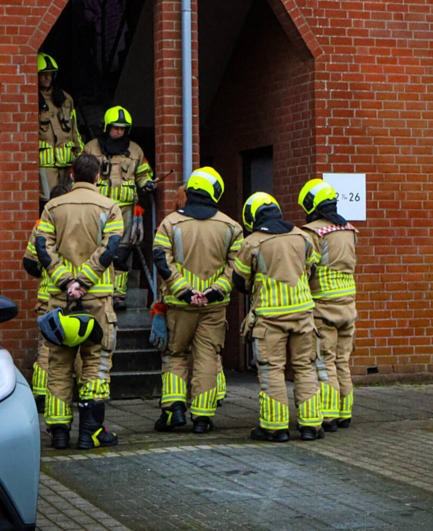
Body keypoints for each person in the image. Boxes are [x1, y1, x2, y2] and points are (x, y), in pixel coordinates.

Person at [27, 153, 125, 450]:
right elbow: (111, 249)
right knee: (96, 364)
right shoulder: (110, 206)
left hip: (59, 300)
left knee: (58, 365)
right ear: (98, 177)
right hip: (95, 299)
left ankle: (58, 434)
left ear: (71, 175)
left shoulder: (52, 207)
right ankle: (91, 433)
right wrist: (83, 282)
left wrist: (66, 282)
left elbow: (43, 249)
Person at [149, 167, 243, 434]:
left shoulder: (170, 223)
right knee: (207, 358)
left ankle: (175, 407)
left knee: (175, 354)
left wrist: (184, 292)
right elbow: (235, 268)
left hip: (180, 305)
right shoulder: (231, 226)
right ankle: (202, 418)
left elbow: (161, 260)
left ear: (190, 192)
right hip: (214, 306)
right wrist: (213, 292)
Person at [233, 192, 324, 442]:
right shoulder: (303, 236)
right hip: (304, 313)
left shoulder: (253, 242)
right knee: (305, 367)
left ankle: (275, 428)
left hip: (270, 318)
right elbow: (312, 269)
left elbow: (240, 280)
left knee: (272, 369)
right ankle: (311, 426)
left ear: (251, 217)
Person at [298, 180, 358, 431]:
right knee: (342, 361)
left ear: (312, 205)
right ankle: (345, 413)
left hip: (323, 306)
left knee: (324, 361)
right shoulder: (350, 230)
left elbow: (306, 268)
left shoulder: (313, 232)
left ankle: (329, 416)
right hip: (348, 306)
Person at [83, 106, 154, 310]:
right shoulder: (90, 148)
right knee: (97, 250)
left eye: (123, 129)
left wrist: (147, 183)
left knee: (121, 253)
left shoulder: (136, 151)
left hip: (125, 211)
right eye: (115, 128)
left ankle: (118, 295)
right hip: (97, 210)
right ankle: (97, 292)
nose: (119, 132)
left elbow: (142, 174)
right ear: (107, 127)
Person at [24, 182, 72, 414]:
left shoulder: (42, 224)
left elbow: (29, 262)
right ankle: (82, 393)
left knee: (47, 345)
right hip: (76, 295)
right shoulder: (78, 221)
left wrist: (46, 272)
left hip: (48, 295)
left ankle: (41, 393)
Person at [37, 52, 83, 204]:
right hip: (45, 164)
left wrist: (80, 155)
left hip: (67, 163)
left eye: (50, 74)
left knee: (67, 201)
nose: (47, 78)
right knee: (48, 201)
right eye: (43, 74)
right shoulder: (30, 98)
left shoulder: (65, 99)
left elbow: (74, 130)